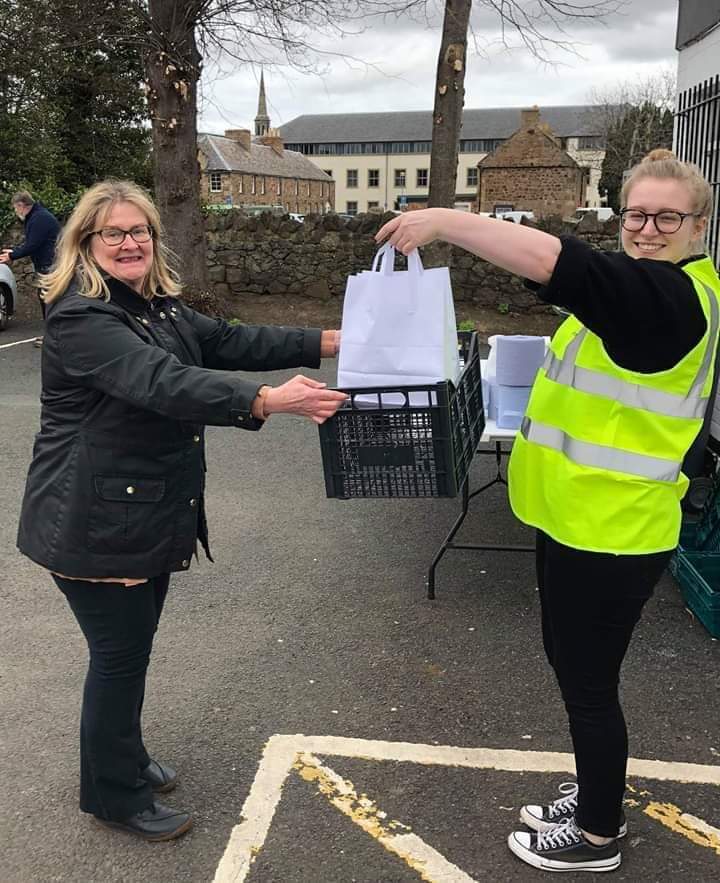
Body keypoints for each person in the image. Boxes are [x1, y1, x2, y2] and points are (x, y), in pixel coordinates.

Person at [377, 149, 719, 873]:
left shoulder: (672, 300)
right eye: (635, 214)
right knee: (574, 668)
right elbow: (584, 293)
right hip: (578, 520)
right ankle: (597, 789)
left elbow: (563, 265)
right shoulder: (648, 288)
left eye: (667, 217)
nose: (647, 229)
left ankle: (597, 835)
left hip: (612, 532)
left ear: (699, 225)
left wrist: (446, 221)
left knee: (588, 688)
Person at [16, 179, 347, 842]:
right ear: (85, 243)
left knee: (129, 652)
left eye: (139, 230)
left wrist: (325, 341)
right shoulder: (84, 317)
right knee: (117, 655)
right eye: (114, 232)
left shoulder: (157, 306)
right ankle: (113, 792)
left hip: (139, 513)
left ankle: (126, 755)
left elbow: (230, 340)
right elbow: (160, 383)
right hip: (93, 521)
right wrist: (265, 401)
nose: (130, 241)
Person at [0, 190, 61, 345]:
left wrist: (11, 256)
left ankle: (53, 337)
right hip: (48, 264)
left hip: (50, 265)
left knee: (49, 300)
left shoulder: (39, 218)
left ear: (21, 205)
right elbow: (31, 242)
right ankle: (51, 335)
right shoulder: (37, 216)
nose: (15, 212)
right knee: (46, 299)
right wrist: (14, 251)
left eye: (15, 208)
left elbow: (33, 245)